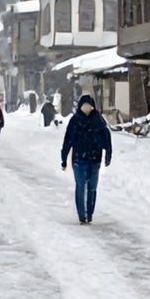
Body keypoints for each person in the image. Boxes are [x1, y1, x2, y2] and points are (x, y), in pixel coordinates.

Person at [61, 94, 112, 224]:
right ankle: (82, 215)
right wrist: (64, 157)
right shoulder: (75, 121)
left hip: (95, 159)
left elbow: (107, 139)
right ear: (80, 107)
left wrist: (108, 154)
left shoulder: (99, 121)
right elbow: (68, 140)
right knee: (80, 186)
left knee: (92, 188)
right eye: (84, 106)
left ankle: (89, 213)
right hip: (79, 160)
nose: (87, 109)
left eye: (89, 106)